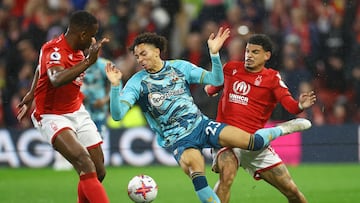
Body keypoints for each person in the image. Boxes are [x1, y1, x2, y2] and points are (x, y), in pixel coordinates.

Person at [105, 28, 312, 203]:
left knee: (256, 142)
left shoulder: (180, 67)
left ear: (157, 51)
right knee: (205, 175)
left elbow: (214, 78)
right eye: (137, 56)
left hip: (202, 125)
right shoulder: (136, 83)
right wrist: (116, 87)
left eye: (143, 54)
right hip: (179, 140)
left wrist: (214, 54)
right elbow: (117, 114)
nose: (139, 59)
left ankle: (285, 128)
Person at [205, 34, 316, 203]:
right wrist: (214, 58)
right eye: (247, 51)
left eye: (255, 52)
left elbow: (291, 106)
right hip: (227, 137)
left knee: (291, 191)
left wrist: (300, 105)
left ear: (267, 55)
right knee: (226, 177)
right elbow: (212, 89)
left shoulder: (272, 78)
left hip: (254, 142)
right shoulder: (231, 69)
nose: (249, 55)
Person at [16, 10, 110, 203]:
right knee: (84, 162)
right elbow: (56, 78)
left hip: (76, 110)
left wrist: (31, 92)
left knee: (98, 171)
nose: (93, 39)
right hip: (51, 115)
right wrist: (87, 63)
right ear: (83, 34)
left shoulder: (77, 50)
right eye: (92, 34)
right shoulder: (55, 49)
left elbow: (39, 68)